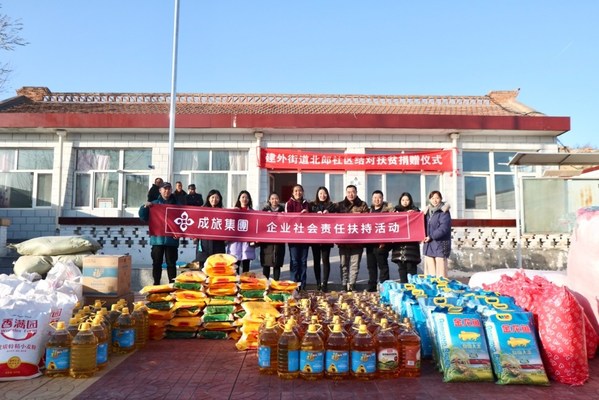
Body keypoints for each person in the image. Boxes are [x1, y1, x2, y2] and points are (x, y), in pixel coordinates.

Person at [139, 182, 182, 285]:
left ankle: (172, 285)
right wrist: (144, 207)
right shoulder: (154, 204)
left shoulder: (177, 205)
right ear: (160, 190)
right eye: (165, 189)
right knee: (156, 263)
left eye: (169, 189)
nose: (167, 191)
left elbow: (182, 221)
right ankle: (156, 284)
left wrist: (179, 233)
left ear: (171, 190)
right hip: (157, 239)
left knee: (171, 264)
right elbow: (143, 217)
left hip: (172, 240)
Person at [336, 184, 368, 292]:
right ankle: (344, 284)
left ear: (356, 192)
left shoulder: (362, 205)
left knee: (355, 264)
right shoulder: (340, 205)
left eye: (353, 192)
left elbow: (368, 220)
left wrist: (360, 215)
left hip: (357, 240)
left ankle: (352, 284)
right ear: (346, 193)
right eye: (349, 192)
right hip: (343, 240)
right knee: (343, 264)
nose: (351, 194)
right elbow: (333, 219)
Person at [308, 186, 337, 292]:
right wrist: (314, 215)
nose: (322, 195)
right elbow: (307, 218)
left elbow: (337, 218)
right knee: (316, 260)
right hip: (315, 237)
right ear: (317, 194)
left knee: (325, 260)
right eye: (320, 193)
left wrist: (329, 214)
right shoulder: (312, 205)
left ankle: (325, 283)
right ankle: (318, 283)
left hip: (326, 237)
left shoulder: (331, 206)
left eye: (324, 193)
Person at [365, 190, 394, 292]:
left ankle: (384, 286)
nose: (377, 200)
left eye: (379, 198)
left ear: (382, 199)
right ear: (372, 199)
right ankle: (372, 285)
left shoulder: (388, 211)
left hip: (382, 244)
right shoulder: (368, 211)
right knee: (371, 266)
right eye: (375, 198)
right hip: (370, 244)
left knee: (383, 266)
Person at [391, 192, 422, 283]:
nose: (405, 202)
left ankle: (413, 286)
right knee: (401, 267)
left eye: (407, 200)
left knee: (411, 267)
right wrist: (394, 215)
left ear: (410, 201)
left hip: (411, 246)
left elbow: (420, 224)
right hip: (399, 245)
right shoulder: (395, 211)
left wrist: (414, 214)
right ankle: (403, 285)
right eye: (403, 200)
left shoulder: (415, 211)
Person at [285, 184, 310, 290]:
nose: (298, 193)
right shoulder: (289, 203)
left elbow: (312, 219)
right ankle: (294, 284)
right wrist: (299, 214)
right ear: (292, 192)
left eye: (300, 191)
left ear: (303, 192)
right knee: (294, 261)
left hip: (305, 237)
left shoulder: (306, 204)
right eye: (295, 191)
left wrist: (307, 213)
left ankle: (303, 285)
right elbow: (287, 218)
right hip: (293, 237)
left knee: (303, 261)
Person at [422, 190, 452, 278]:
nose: (435, 200)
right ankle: (430, 287)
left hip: (440, 245)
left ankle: (442, 286)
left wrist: (431, 236)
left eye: (437, 198)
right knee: (430, 275)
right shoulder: (426, 212)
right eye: (432, 198)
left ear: (441, 199)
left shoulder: (444, 211)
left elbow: (444, 228)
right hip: (429, 245)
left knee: (441, 274)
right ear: (429, 199)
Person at [196, 189, 227, 267]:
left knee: (217, 269)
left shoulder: (223, 212)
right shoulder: (201, 210)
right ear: (208, 198)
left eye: (217, 197)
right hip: (204, 244)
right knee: (204, 269)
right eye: (212, 197)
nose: (214, 199)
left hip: (218, 244)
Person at [228, 190, 256, 274]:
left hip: (247, 243)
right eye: (243, 197)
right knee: (235, 266)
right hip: (235, 242)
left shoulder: (253, 212)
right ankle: (236, 282)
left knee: (246, 267)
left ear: (249, 200)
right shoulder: (234, 211)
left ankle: (245, 281)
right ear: (239, 199)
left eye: (247, 197)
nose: (244, 199)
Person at [259, 192, 286, 280]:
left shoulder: (283, 210)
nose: (274, 200)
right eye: (272, 199)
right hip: (267, 242)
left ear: (279, 200)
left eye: (276, 198)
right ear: (269, 200)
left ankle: (276, 283)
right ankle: (265, 283)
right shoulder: (265, 210)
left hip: (279, 241)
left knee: (277, 264)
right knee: (266, 263)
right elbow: (260, 223)